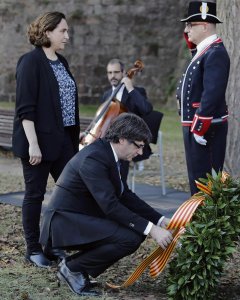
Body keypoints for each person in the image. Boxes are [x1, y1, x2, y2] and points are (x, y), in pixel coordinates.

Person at [40, 113, 173, 297]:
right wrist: (151, 229)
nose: (141, 153)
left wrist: (159, 220)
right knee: (130, 237)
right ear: (122, 139)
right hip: (63, 222)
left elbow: (125, 196)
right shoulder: (94, 158)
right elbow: (110, 205)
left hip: (81, 216)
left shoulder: (108, 153)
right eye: (139, 146)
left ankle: (75, 267)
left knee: (135, 233)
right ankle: (73, 268)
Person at [12, 12, 80, 268]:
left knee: (69, 193)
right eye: (63, 31)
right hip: (37, 143)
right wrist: (33, 144)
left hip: (64, 141)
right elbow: (26, 108)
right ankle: (32, 248)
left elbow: (64, 102)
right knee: (35, 195)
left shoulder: (61, 61)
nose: (67, 36)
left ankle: (53, 244)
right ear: (48, 31)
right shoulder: (30, 62)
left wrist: (73, 131)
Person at [176, 1, 230, 195]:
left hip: (206, 130)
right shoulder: (204, 51)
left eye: (190, 25)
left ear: (204, 25)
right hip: (198, 127)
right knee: (197, 180)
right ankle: (198, 222)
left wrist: (199, 127)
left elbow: (212, 92)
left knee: (204, 184)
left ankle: (205, 224)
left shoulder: (215, 53)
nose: (186, 29)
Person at [101, 58, 154, 182]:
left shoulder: (137, 92)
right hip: (110, 139)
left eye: (116, 72)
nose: (112, 76)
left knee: (119, 148)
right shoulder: (106, 95)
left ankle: (120, 189)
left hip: (129, 140)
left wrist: (130, 88)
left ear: (124, 72)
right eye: (109, 73)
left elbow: (146, 109)